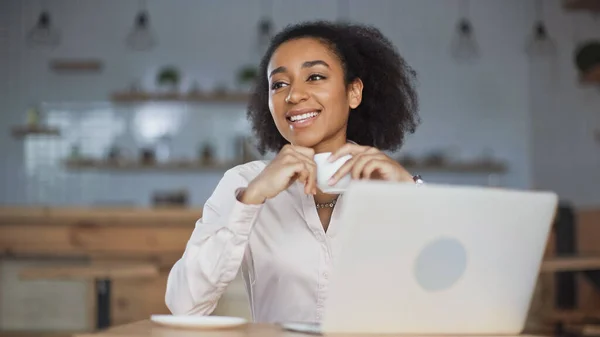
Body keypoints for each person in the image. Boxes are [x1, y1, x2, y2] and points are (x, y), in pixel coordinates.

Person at [165, 20, 420, 324]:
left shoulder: (394, 185)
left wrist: (411, 192)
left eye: (314, 77)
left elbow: (451, 290)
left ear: (353, 92)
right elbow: (184, 305)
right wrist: (252, 199)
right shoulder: (244, 183)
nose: (294, 95)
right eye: (279, 84)